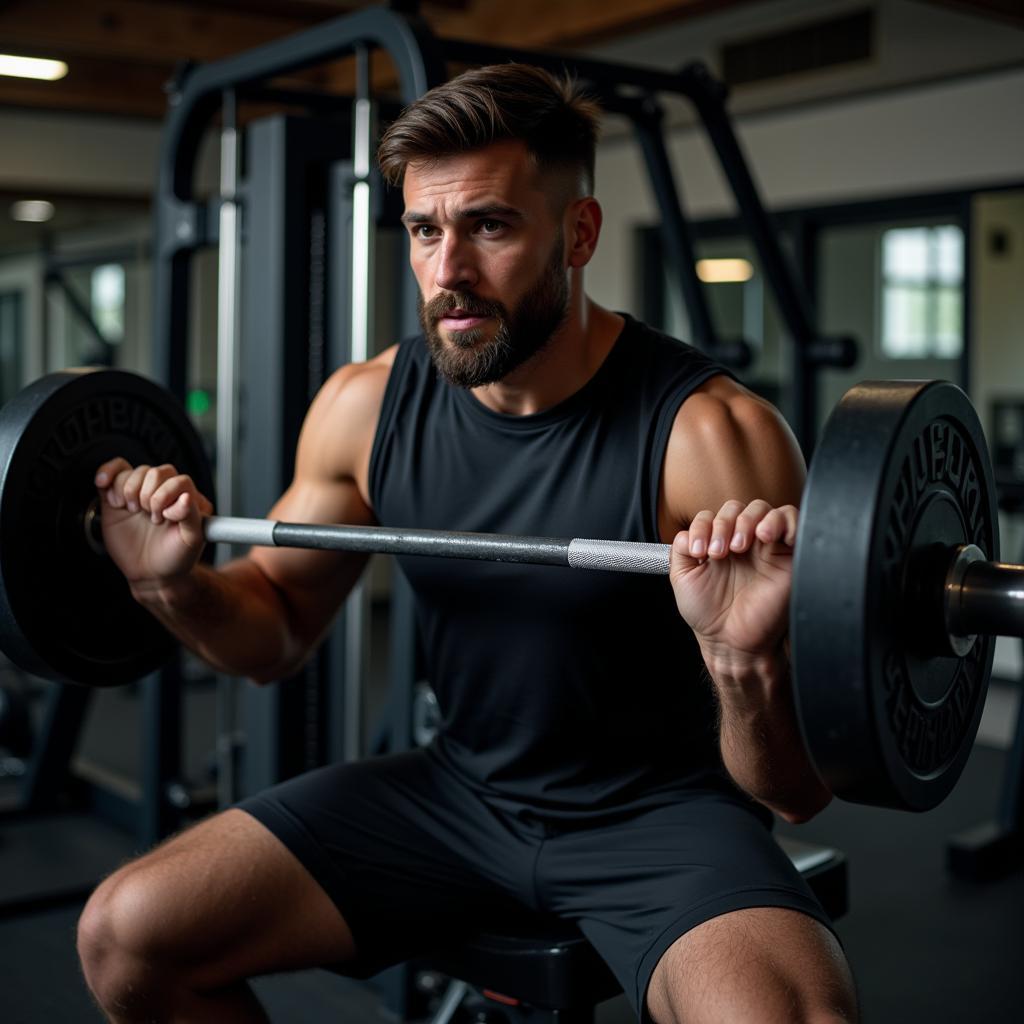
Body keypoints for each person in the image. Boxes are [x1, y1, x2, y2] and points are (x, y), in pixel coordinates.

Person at [77, 64, 858, 1024]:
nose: (448, 270)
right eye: (423, 230)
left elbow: (797, 791)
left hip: (662, 818)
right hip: (455, 793)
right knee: (128, 934)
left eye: (489, 226)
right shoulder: (364, 406)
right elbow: (274, 633)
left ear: (578, 234)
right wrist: (175, 588)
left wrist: (740, 663)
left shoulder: (707, 437)